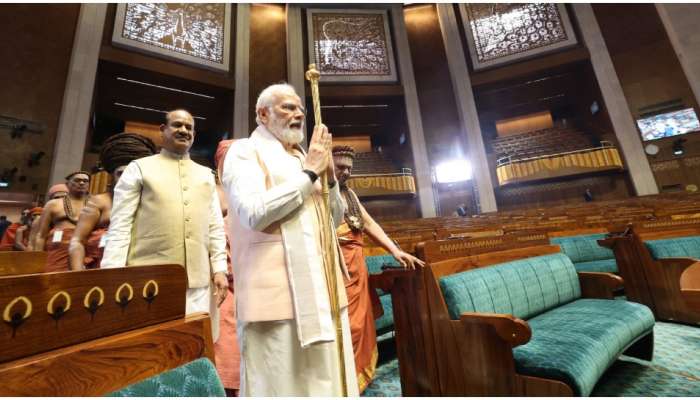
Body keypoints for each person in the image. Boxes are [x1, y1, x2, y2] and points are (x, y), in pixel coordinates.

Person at [221, 83, 358, 396]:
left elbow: (333, 220)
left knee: (326, 384)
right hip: (275, 297)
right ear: (263, 114)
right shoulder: (243, 151)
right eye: (287, 107)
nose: (298, 114)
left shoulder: (301, 157)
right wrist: (310, 173)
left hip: (323, 291)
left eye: (300, 108)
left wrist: (330, 179)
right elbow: (254, 212)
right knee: (281, 386)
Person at [101, 109, 228, 341]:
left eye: (189, 128)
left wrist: (219, 268)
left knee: (192, 345)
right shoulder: (139, 168)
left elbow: (215, 226)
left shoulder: (205, 175)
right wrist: (112, 273)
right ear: (163, 130)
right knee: (150, 346)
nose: (184, 131)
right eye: (177, 125)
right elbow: (120, 226)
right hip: (148, 279)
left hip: (197, 281)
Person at [332, 145, 424, 392]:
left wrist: (395, 250)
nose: (346, 172)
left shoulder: (350, 195)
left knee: (360, 325)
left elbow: (370, 223)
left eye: (349, 168)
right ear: (327, 165)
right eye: (340, 167)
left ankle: (356, 380)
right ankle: (341, 383)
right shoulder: (319, 194)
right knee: (346, 327)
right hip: (335, 270)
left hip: (357, 267)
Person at [68, 133, 156, 271]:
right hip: (100, 270)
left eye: (131, 173)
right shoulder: (99, 202)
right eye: (121, 173)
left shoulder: (149, 202)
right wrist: (78, 276)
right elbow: (77, 241)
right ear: (112, 176)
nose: (127, 178)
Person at [213, 139, 241, 396]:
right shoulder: (213, 191)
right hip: (223, 280)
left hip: (252, 282)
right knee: (225, 346)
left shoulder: (252, 190)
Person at [34, 172, 91, 271]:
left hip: (84, 249)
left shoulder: (93, 205)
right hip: (56, 251)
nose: (82, 183)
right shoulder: (53, 204)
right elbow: (41, 235)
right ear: (67, 184)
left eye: (85, 181)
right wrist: (37, 262)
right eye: (77, 180)